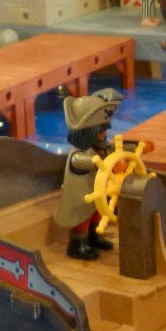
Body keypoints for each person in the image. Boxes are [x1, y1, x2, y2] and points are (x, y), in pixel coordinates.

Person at [53, 88, 124, 261]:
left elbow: (109, 154)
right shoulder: (78, 155)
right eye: (100, 131)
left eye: (104, 131)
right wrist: (106, 161)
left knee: (96, 214)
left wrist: (126, 150)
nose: (104, 135)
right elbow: (89, 162)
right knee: (82, 219)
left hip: (96, 194)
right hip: (81, 197)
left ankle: (93, 236)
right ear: (88, 133)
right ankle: (77, 244)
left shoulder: (99, 148)